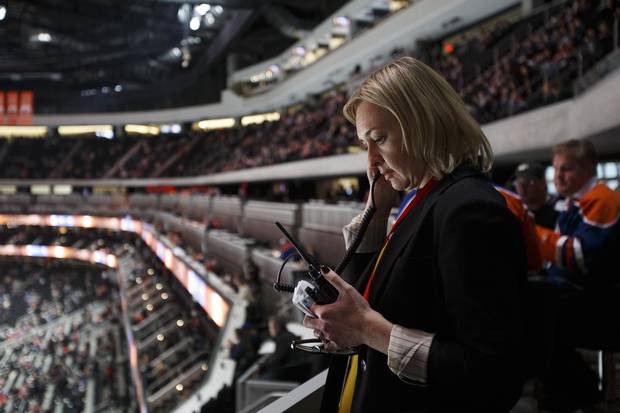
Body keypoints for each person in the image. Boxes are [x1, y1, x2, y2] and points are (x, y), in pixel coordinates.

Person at [304, 57, 527, 413]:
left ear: (423, 124)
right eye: (366, 145)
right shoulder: (423, 201)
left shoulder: (468, 209)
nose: (372, 162)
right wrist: (374, 216)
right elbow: (371, 300)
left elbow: (493, 373)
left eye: (379, 139)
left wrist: (368, 330)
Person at [532, 139, 620, 411]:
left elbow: (580, 257)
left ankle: (580, 391)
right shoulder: (569, 201)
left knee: (532, 310)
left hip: (601, 302)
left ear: (588, 169)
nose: (557, 176)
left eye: (566, 169)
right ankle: (565, 390)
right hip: (575, 295)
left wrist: (529, 233)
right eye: (556, 169)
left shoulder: (603, 198)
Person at [513, 162, 558, 229]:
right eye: (518, 182)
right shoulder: (516, 214)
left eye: (528, 181)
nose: (522, 187)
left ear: (542, 183)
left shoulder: (559, 212)